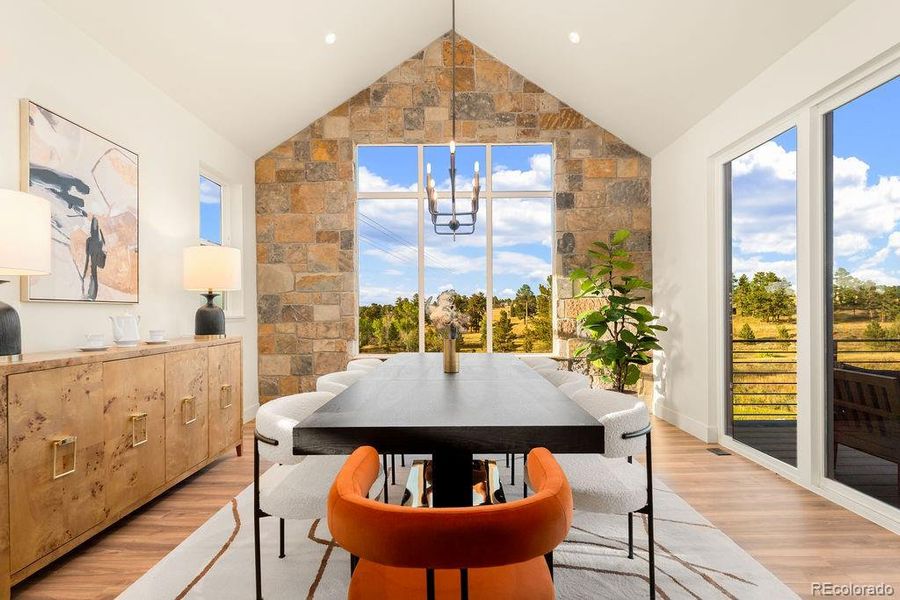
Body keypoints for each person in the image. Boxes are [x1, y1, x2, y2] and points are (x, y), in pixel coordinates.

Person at [82, 216, 106, 300]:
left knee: (93, 276)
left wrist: (102, 255)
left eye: (96, 225)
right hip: (90, 260)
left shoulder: (100, 240)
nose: (94, 228)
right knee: (91, 276)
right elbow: (87, 252)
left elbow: (104, 250)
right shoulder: (89, 240)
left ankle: (92, 295)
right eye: (93, 225)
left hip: (95, 260)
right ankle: (89, 294)